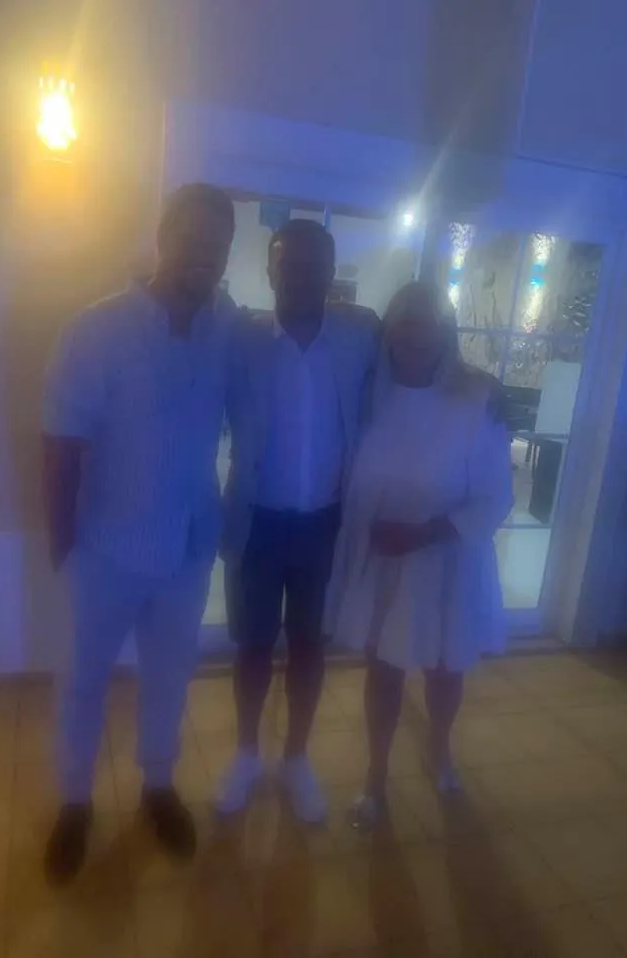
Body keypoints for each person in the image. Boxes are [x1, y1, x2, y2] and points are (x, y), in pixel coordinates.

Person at [41, 183, 236, 881]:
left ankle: (158, 786)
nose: (204, 252)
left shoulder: (227, 328)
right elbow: (60, 442)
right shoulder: (96, 331)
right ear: (163, 236)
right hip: (105, 549)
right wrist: (63, 548)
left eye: (218, 242)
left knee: (169, 678)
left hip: (188, 548)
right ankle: (74, 804)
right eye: (192, 236)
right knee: (83, 682)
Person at [324, 280, 513, 827]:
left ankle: (439, 748)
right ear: (388, 329)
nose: (416, 333)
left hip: (446, 559)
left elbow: (496, 494)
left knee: (443, 669)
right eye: (405, 319)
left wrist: (426, 533)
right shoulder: (369, 393)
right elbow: (343, 317)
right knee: (383, 671)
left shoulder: (477, 397)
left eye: (428, 320)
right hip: (383, 559)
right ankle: (375, 777)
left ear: (446, 329)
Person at [217, 218, 378, 822]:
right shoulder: (241, 338)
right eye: (290, 264)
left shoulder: (360, 338)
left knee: (311, 647)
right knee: (252, 647)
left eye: (315, 266)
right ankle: (245, 755)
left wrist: (478, 383)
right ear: (271, 270)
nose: (302, 276)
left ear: (331, 274)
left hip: (326, 527)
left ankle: (296, 759)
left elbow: (424, 348)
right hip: (256, 524)